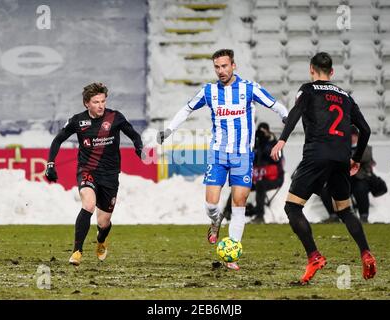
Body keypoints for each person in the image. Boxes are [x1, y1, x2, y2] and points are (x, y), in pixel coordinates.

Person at [157, 49, 288, 270]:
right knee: (210, 204)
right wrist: (169, 130)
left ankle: (232, 255)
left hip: (243, 155)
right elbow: (186, 109)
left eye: (224, 66)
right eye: (217, 67)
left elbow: (276, 105)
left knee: (239, 205)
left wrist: (287, 119)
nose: (221, 71)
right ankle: (216, 220)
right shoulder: (209, 91)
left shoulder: (249, 88)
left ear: (233, 65)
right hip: (217, 154)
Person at [270, 52, 377, 284]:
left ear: (311, 70)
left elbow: (296, 112)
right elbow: (366, 130)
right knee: (345, 211)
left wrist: (282, 139)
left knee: (292, 207)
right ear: (332, 72)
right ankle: (366, 253)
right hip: (340, 158)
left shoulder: (308, 90)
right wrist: (356, 158)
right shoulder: (346, 97)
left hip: (316, 155)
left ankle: (314, 256)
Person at [45, 82, 144, 266]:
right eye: (96, 102)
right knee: (88, 204)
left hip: (110, 174)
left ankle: (101, 240)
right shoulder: (77, 121)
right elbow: (58, 140)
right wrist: (50, 164)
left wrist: (139, 148)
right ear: (86, 104)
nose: (100, 105)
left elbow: (134, 135)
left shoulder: (115, 117)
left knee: (103, 222)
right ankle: (77, 251)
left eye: (103, 101)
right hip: (87, 170)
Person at [223, 122, 285, 224]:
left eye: (263, 132)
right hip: (259, 176)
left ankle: (260, 216)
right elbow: (253, 159)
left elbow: (275, 158)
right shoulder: (256, 145)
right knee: (240, 184)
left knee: (261, 185)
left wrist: (265, 142)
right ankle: (228, 211)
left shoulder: (275, 144)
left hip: (275, 178)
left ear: (268, 132)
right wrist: (256, 144)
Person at [321, 125, 376, 223]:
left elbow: (365, 157)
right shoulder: (341, 147)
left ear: (357, 136)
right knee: (325, 190)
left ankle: (364, 215)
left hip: (359, 178)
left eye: (353, 135)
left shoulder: (365, 147)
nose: (351, 138)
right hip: (343, 178)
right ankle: (333, 215)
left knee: (361, 189)